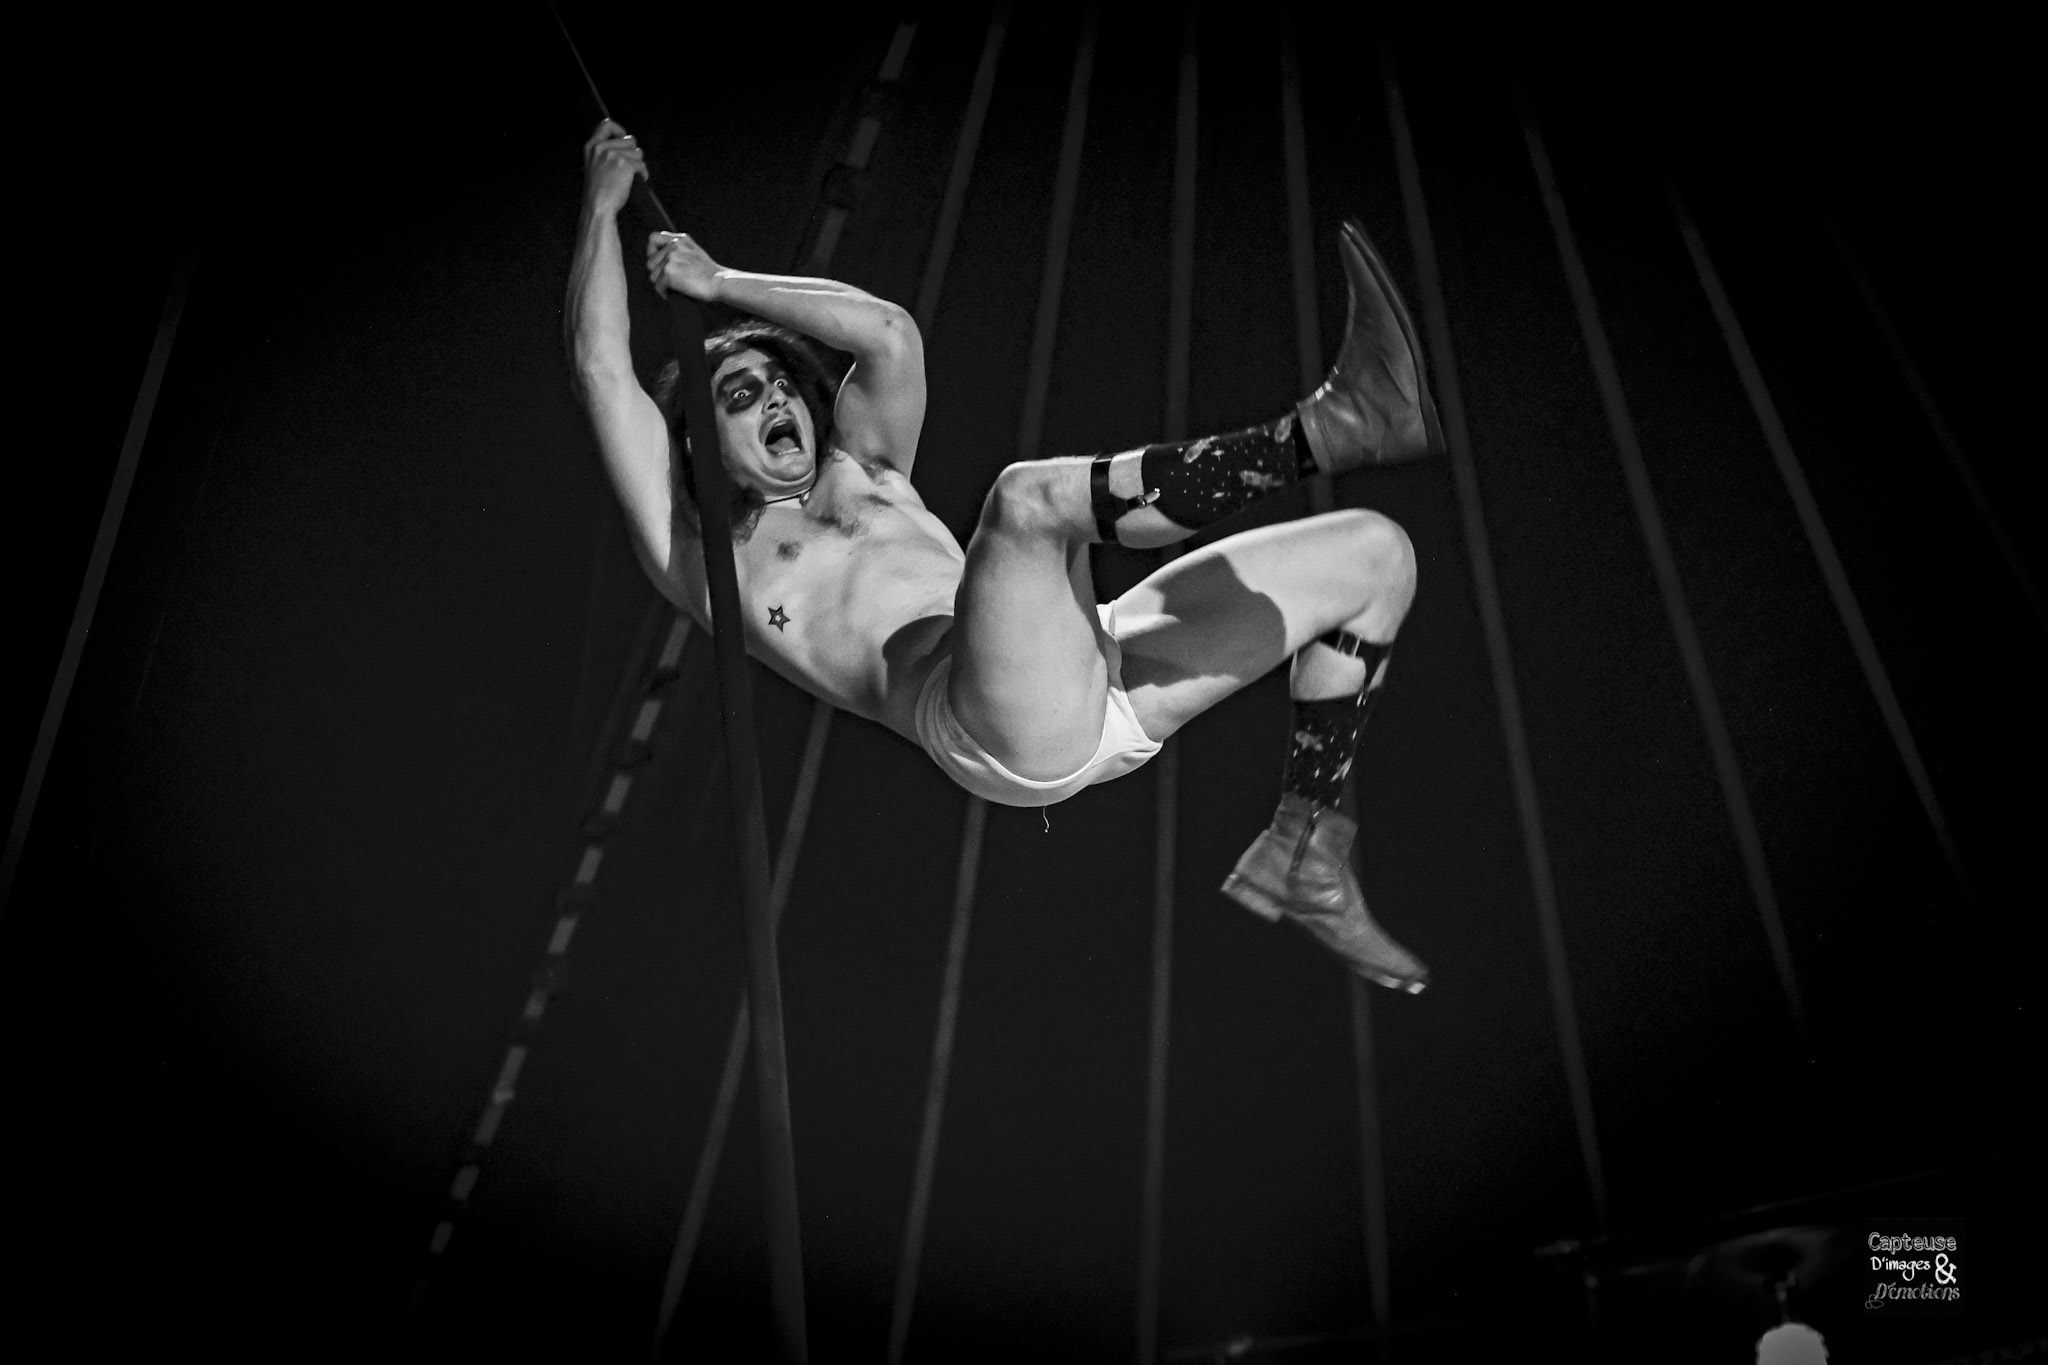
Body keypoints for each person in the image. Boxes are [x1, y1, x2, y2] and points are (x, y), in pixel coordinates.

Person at [566, 120, 1439, 993]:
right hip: (988, 725)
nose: (776, 397)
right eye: (741, 393)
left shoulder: (867, 466)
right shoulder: (707, 557)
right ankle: (1332, 428)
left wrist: (721, 282)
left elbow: (890, 335)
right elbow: (602, 369)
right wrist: (603, 206)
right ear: (698, 448)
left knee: (1376, 556)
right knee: (1027, 502)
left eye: (782, 381)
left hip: (1091, 668)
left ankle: (1306, 850)